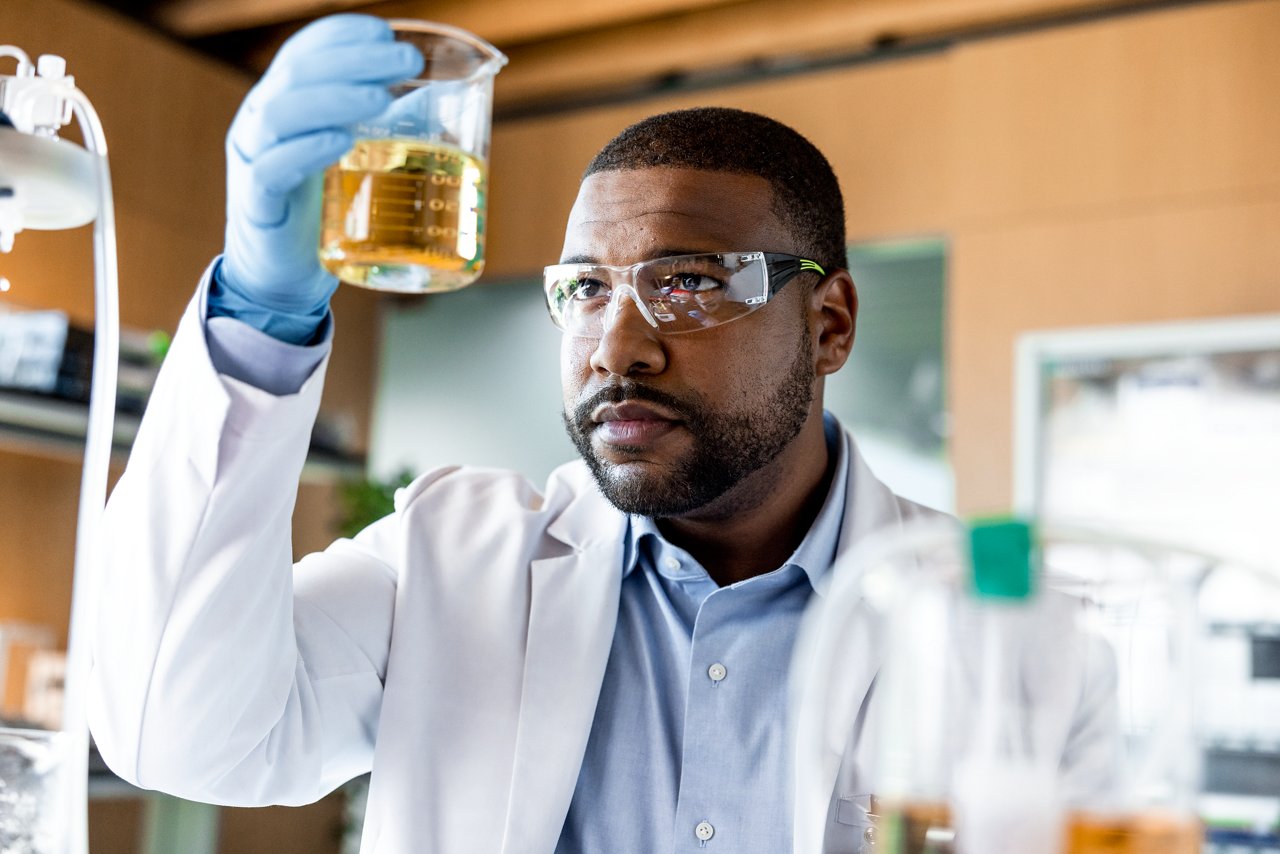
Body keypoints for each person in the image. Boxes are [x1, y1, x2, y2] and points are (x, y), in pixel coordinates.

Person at [87, 14, 1116, 854]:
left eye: (688, 282)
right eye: (583, 288)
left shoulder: (1029, 645)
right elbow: (176, 734)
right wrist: (260, 315)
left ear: (829, 323)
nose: (615, 346)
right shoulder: (451, 560)